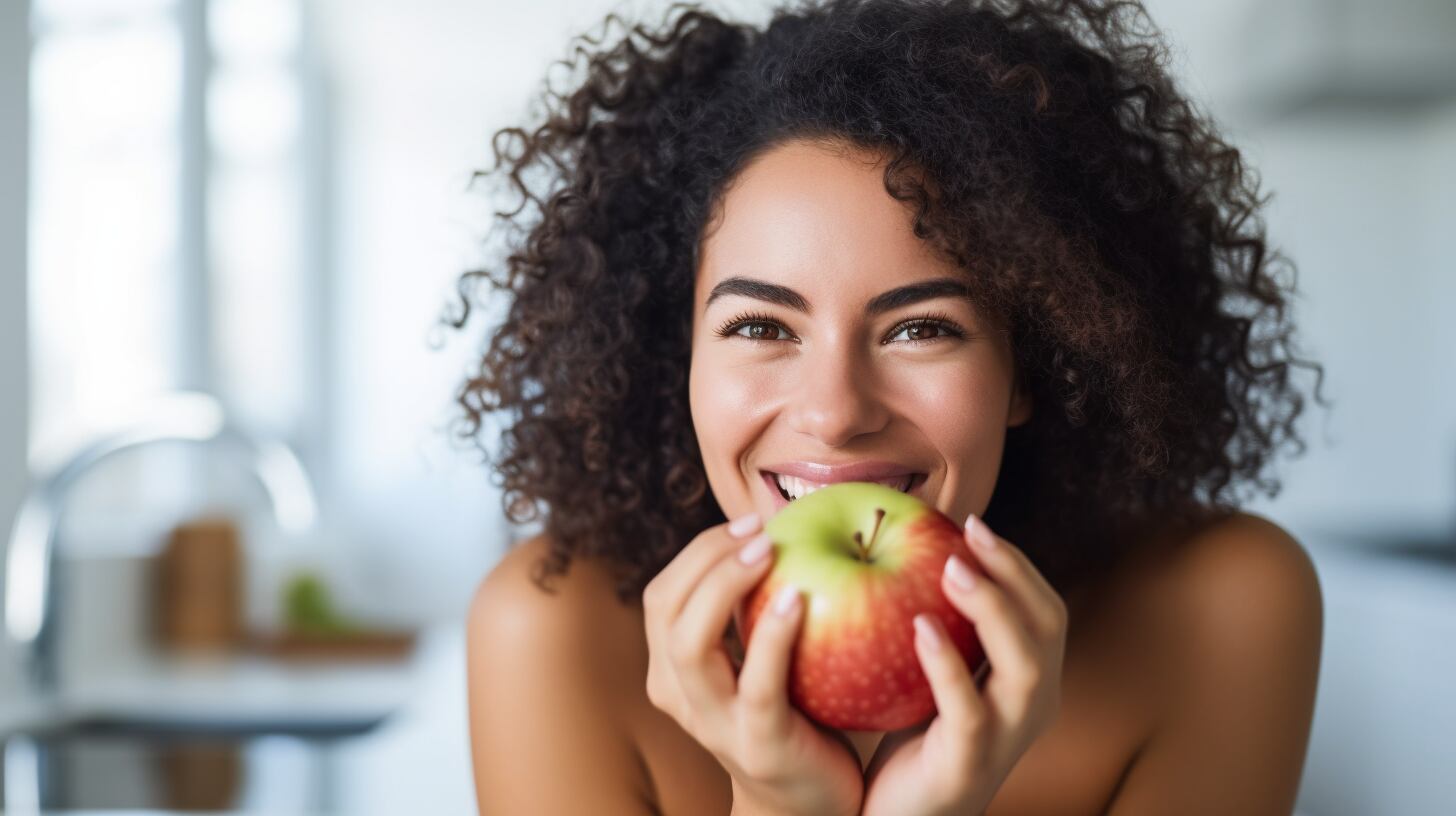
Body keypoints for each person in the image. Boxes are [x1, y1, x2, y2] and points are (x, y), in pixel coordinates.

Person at [449, 1, 1328, 813]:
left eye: (920, 330)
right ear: (676, 352)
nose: (835, 414)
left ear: (1033, 367)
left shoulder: (1217, 614)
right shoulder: (551, 637)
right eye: (759, 325)